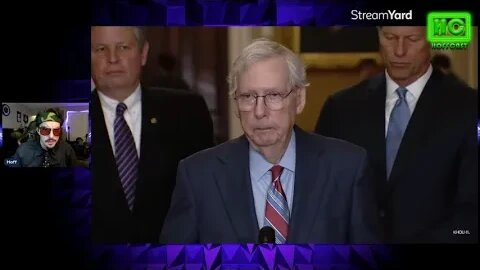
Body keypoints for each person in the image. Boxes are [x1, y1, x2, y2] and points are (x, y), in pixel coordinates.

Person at [160, 38, 379, 244]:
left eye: (273, 95)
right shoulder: (198, 175)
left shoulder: (347, 168)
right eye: (247, 97)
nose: (259, 111)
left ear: (299, 99)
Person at [315, 26, 478, 243]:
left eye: (412, 39)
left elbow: (471, 212)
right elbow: (320, 198)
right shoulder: (341, 108)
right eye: (390, 37)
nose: (399, 51)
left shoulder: (468, 108)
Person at [90, 26, 215, 243]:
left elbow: (209, 201)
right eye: (101, 49)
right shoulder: (61, 122)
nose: (112, 58)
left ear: (143, 53)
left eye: (123, 47)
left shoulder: (186, 112)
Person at [10, 109, 77, 167]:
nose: (51, 136)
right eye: (45, 130)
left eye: (56, 131)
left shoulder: (67, 150)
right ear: (38, 130)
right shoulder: (23, 150)